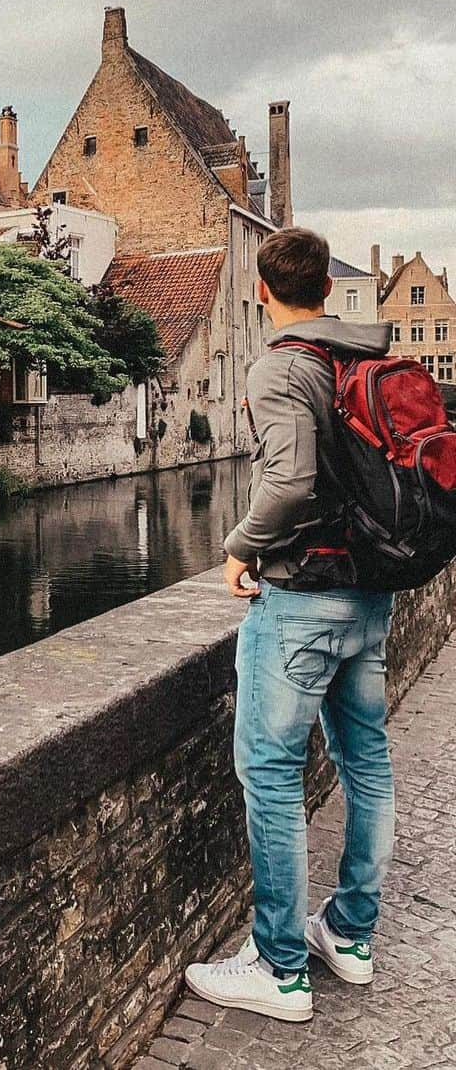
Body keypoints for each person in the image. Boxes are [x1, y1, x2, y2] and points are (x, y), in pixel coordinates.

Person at [185, 226, 395, 1023]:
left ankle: (279, 968)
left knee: (270, 772)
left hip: (302, 599)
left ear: (263, 292)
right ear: (325, 291)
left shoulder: (280, 364)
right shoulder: (360, 360)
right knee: (366, 761)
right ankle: (350, 933)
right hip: (368, 595)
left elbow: (292, 478)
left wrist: (238, 549)